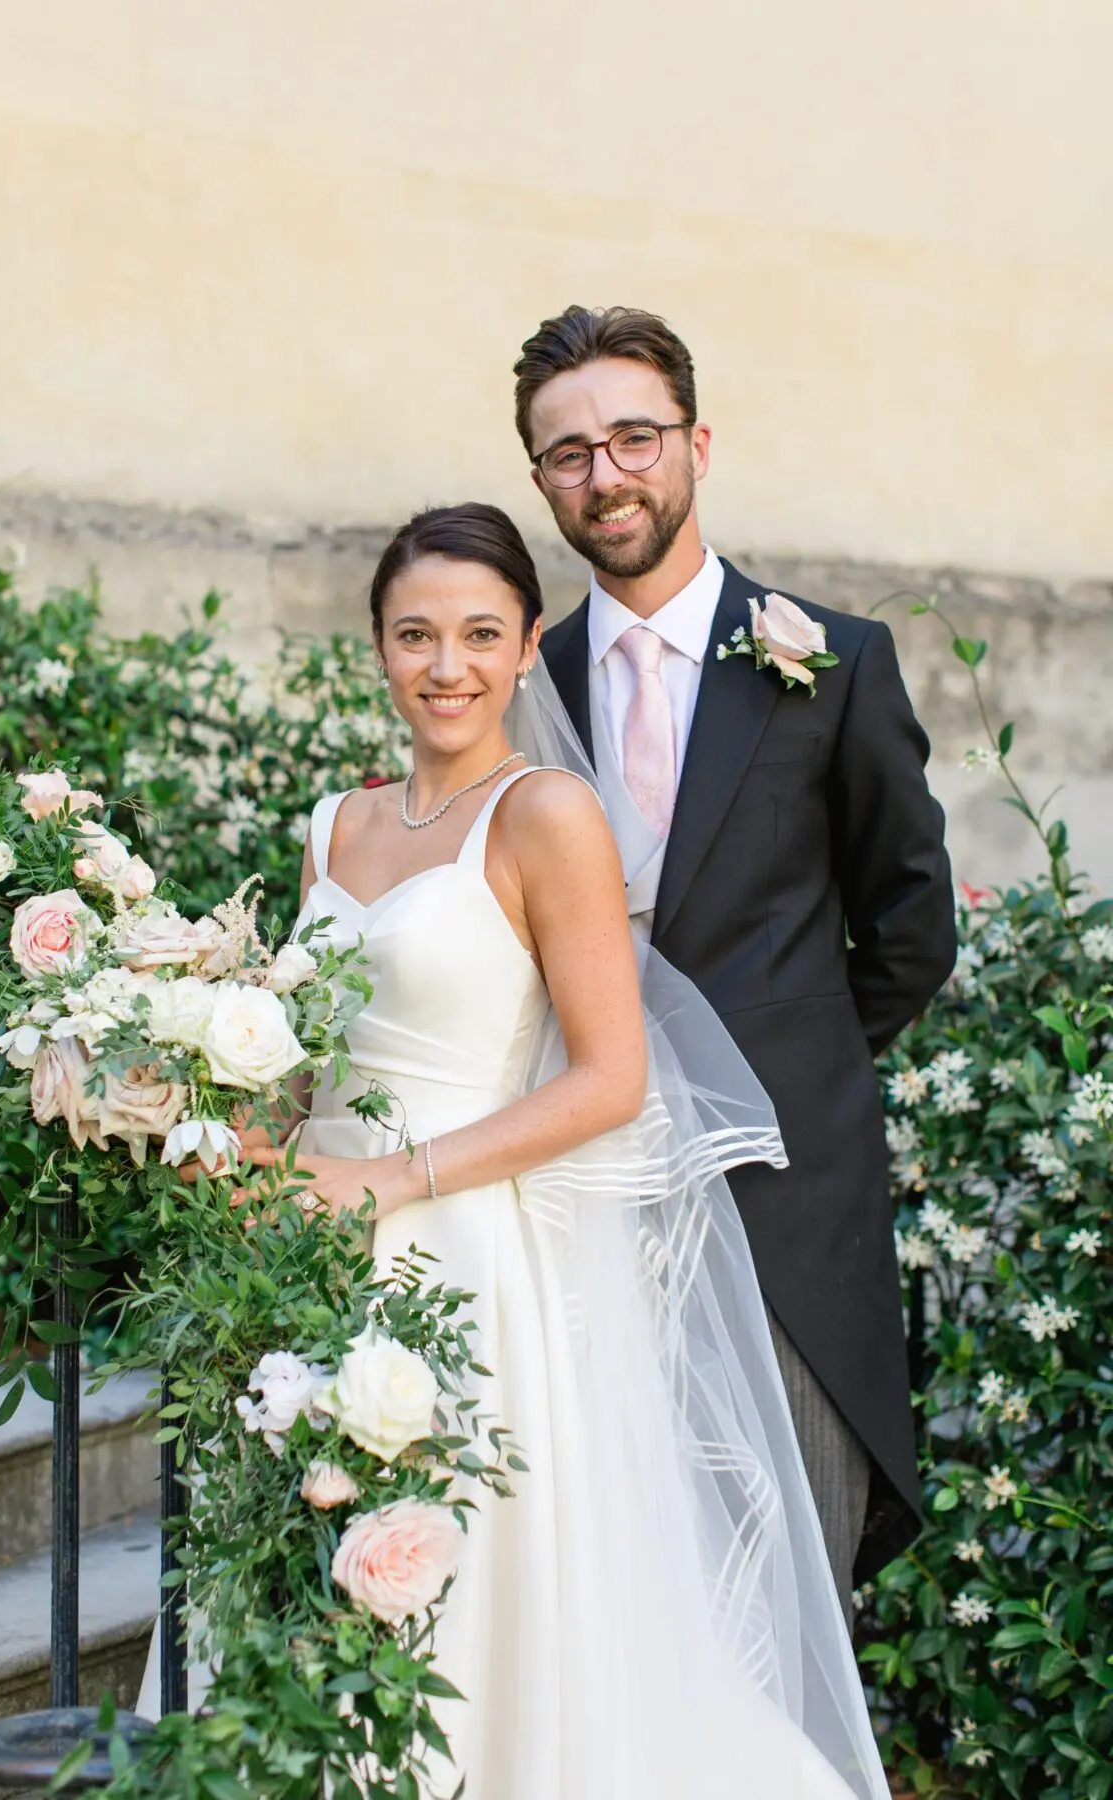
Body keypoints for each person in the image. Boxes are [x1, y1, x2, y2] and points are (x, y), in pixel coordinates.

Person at [147, 501, 892, 1799]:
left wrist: (397, 1177)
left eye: (482, 634)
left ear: (527, 645)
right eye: (417, 634)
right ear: (378, 646)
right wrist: (231, 1139)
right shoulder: (336, 825)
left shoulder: (546, 816)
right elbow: (304, 1054)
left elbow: (615, 1078)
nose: (449, 665)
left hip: (470, 1258)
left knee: (464, 1601)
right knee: (293, 1575)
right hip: (311, 1259)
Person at [517, 304, 958, 1606]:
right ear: (540, 478)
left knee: (788, 1591)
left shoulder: (831, 662)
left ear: (696, 443)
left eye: (634, 437)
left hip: (786, 1212)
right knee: (614, 1597)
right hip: (584, 1211)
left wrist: (778, 1065)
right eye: (568, 453)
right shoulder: (526, 683)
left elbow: (913, 926)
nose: (606, 475)